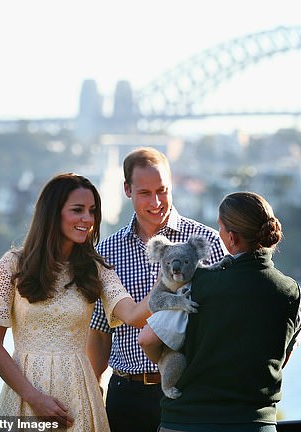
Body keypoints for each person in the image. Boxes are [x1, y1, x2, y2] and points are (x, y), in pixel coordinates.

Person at [0, 173, 161, 431]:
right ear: (52, 213)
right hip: (24, 397)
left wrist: (166, 281)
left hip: (79, 397)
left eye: (92, 211)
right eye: (78, 210)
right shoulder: (13, 264)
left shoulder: (96, 269)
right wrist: (34, 399)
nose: (88, 219)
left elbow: (133, 316)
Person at [139, 191, 301, 432]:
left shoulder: (198, 284)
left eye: (220, 227)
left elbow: (147, 339)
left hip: (188, 421)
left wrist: (171, 365)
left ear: (232, 237)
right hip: (254, 423)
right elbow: (282, 358)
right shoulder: (292, 292)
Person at [87, 147, 225, 432]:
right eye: (145, 193)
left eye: (162, 190)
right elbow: (100, 332)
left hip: (189, 389)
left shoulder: (205, 243)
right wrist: (93, 393)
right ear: (127, 189)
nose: (156, 201)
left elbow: (226, 319)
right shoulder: (106, 253)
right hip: (127, 394)